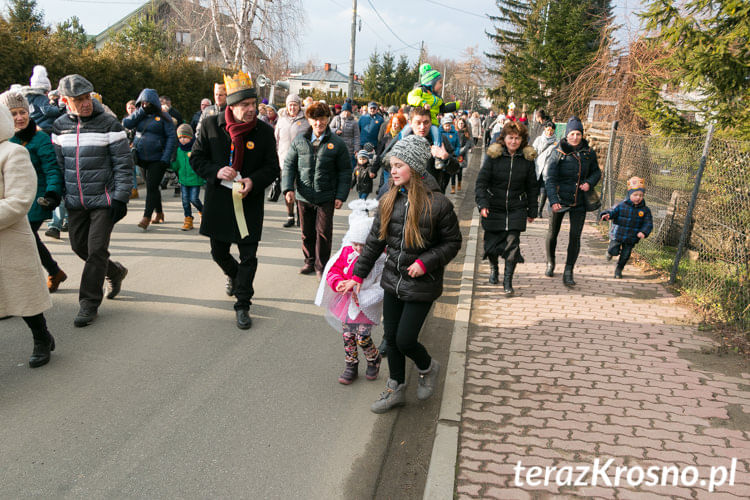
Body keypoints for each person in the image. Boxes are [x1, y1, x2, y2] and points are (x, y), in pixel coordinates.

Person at [339, 134, 462, 413]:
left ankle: (428, 367)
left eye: (398, 165)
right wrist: (357, 276)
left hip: (423, 283)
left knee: (406, 339)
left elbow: (452, 242)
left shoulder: (438, 204)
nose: (392, 171)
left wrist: (426, 262)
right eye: (391, 166)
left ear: (416, 168)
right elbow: (374, 241)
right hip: (392, 280)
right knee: (392, 338)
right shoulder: (388, 199)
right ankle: (395, 387)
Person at [190, 71, 280, 330]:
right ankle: (235, 276)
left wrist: (254, 181)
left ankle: (243, 304)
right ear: (231, 106)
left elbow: (272, 167)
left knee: (248, 256)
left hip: (249, 203)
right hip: (219, 201)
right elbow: (196, 159)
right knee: (218, 252)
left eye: (253, 104)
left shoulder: (263, 131)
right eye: (245, 105)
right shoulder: (210, 126)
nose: (252, 109)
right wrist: (216, 171)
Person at [51, 74, 133, 327]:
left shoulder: (109, 124)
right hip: (75, 202)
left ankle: (88, 303)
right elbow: (58, 165)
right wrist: (58, 195)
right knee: (79, 247)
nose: (85, 103)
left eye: (87, 97)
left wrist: (120, 197)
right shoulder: (59, 126)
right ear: (66, 101)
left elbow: (123, 164)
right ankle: (115, 271)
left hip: (104, 200)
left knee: (96, 249)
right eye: (79, 99)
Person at [0, 104, 57, 368]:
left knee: (23, 294)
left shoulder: (14, 152)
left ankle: (41, 337)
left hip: (10, 238)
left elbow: (19, 200)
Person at [1, 90, 67, 293]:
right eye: (13, 114)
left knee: (25, 238)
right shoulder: (4, 140)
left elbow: (51, 169)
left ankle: (28, 287)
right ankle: (54, 271)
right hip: (8, 199)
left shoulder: (39, 138)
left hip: (36, 201)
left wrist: (53, 194)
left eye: (23, 112)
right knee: (27, 241)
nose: (20, 117)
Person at [315, 199, 384, 385]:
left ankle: (373, 358)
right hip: (346, 302)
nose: (359, 249)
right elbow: (334, 270)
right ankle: (351, 365)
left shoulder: (380, 259)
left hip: (365, 303)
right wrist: (337, 283)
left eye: (364, 245)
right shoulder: (347, 252)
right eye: (356, 244)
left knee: (362, 336)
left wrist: (365, 296)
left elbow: (381, 284)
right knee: (348, 336)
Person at [282, 101, 351, 278]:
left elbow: (345, 171)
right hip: (303, 195)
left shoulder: (337, 143)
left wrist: (341, 196)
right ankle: (310, 261)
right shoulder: (300, 141)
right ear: (309, 120)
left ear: (328, 119)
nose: (318, 123)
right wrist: (288, 188)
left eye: (322, 119)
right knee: (306, 232)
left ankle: (322, 266)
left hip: (326, 196)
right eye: (314, 120)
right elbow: (289, 165)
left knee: (324, 233)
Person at [475, 121, 538, 294]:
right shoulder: (494, 157)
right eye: (511, 138)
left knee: (513, 247)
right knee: (492, 246)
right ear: (504, 138)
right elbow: (481, 183)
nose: (514, 142)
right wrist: (483, 203)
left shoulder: (527, 160)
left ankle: (508, 282)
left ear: (522, 140)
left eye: (518, 138)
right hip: (494, 206)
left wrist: (533, 210)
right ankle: (494, 268)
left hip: (516, 207)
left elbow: (532, 187)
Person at [544, 116, 601, 286]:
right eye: (572, 134)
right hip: (560, 200)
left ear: (582, 135)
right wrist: (553, 200)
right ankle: (550, 262)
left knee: (575, 237)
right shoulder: (558, 152)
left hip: (579, 201)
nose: (575, 137)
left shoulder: (589, 153)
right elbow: (550, 178)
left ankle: (568, 270)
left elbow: (596, 173)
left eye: (578, 134)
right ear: (567, 135)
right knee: (552, 232)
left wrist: (589, 183)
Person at [123, 88, 177, 230]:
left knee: (152, 187)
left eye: (148, 103)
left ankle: (146, 216)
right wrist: (140, 111)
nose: (146, 105)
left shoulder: (164, 117)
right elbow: (127, 123)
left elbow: (172, 137)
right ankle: (159, 213)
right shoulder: (140, 114)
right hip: (141, 157)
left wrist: (166, 157)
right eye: (143, 102)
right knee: (152, 187)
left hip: (158, 158)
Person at [375, 108, 459, 196]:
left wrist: (445, 157)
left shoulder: (441, 141)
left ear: (431, 123)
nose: (422, 127)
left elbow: (455, 168)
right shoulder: (401, 140)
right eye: (418, 123)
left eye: (426, 122)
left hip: (431, 195)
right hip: (404, 195)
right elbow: (383, 162)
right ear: (410, 123)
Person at [600, 177, 653, 279]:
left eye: (641, 195)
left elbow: (648, 223)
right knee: (613, 250)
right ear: (629, 195)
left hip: (631, 237)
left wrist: (644, 232)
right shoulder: (621, 205)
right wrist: (607, 214)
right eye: (635, 195)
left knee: (625, 256)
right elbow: (612, 211)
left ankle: (618, 270)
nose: (638, 198)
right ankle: (610, 252)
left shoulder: (645, 210)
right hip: (617, 234)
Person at [274, 93, 308, 228]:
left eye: (295, 104)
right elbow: (276, 140)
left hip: (302, 161)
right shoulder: (281, 120)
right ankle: (290, 216)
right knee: (287, 190)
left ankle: (301, 217)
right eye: (290, 105)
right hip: (284, 161)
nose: (292, 107)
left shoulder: (305, 120)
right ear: (286, 106)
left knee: (300, 190)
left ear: (299, 106)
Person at [171, 123, 204, 231]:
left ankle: (203, 211)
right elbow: (177, 165)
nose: (182, 140)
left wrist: (202, 176)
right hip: (184, 180)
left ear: (190, 137)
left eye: (185, 137)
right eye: (180, 137)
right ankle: (188, 219)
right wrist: (172, 163)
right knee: (185, 200)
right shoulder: (179, 150)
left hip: (195, 179)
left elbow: (200, 163)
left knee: (194, 199)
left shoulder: (195, 148)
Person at [407, 64, 460, 129]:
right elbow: (411, 97)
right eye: (440, 82)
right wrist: (423, 103)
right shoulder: (420, 91)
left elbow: (443, 108)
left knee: (437, 136)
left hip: (432, 124)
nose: (441, 85)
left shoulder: (438, 98)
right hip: (417, 122)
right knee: (405, 132)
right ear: (431, 83)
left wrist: (456, 105)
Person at [23, 65, 62, 135]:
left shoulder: (29, 98)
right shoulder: (40, 97)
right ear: (43, 90)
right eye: (47, 92)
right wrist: (59, 108)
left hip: (35, 126)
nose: (47, 94)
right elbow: (48, 111)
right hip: (45, 127)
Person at [532, 121, 558, 217]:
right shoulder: (539, 139)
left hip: (547, 170)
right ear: (545, 129)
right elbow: (533, 151)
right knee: (535, 190)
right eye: (548, 130)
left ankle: (539, 211)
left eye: (551, 131)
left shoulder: (556, 142)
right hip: (537, 168)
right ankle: (533, 208)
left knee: (544, 191)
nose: (549, 132)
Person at [330, 100, 360, 168]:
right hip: (337, 147)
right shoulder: (336, 119)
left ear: (350, 112)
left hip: (349, 149)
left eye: (348, 112)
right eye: (344, 111)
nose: (346, 113)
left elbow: (357, 137)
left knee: (348, 168)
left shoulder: (354, 122)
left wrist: (356, 150)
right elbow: (328, 129)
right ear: (342, 111)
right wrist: (335, 131)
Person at [453, 116, 473, 193]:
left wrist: (461, 151)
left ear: (464, 124)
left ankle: (459, 184)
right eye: (459, 123)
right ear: (457, 124)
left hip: (462, 154)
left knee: (460, 170)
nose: (461, 125)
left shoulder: (466, 133)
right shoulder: (454, 132)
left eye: (462, 123)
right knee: (453, 170)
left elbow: (468, 143)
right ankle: (453, 186)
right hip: (454, 153)